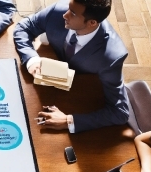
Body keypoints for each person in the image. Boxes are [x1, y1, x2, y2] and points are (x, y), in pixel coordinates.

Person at [14, 0, 129, 133]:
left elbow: (120, 112)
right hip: (42, 86)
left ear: (92, 22)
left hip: (78, 94)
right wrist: (32, 59)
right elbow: (24, 27)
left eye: (72, 13)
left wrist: (69, 121)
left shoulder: (112, 56)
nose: (65, 15)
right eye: (69, 8)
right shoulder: (58, 11)